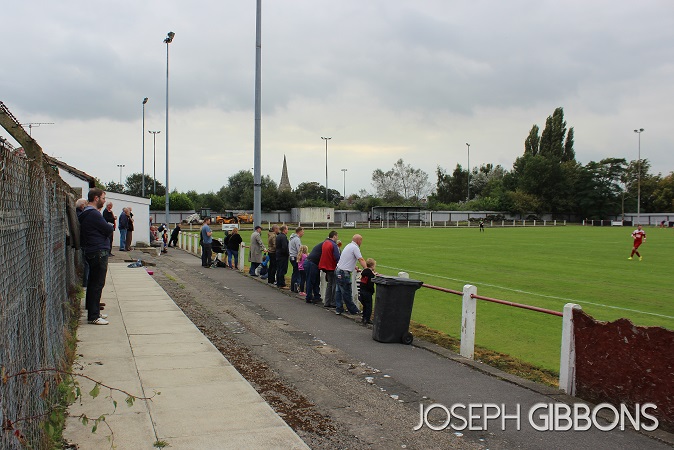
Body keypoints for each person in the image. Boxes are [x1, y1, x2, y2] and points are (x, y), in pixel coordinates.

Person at [78, 188, 113, 325]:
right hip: (98, 251)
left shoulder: (86, 213)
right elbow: (108, 229)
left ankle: (94, 311)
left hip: (93, 250)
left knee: (93, 282)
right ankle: (93, 315)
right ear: (96, 198)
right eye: (103, 198)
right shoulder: (93, 214)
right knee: (97, 283)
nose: (104, 201)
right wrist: (109, 225)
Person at [334, 234, 367, 315]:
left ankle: (339, 308)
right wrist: (367, 269)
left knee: (338, 291)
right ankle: (353, 310)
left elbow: (347, 259)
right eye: (361, 241)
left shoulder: (349, 245)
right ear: (358, 240)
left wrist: (353, 266)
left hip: (338, 269)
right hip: (344, 272)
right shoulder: (355, 247)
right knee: (347, 291)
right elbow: (361, 259)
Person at [318, 231, 341, 308]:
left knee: (329, 284)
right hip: (331, 267)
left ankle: (327, 302)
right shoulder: (333, 244)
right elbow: (337, 257)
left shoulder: (325, 242)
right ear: (334, 236)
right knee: (334, 285)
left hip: (325, 267)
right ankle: (333, 302)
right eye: (336, 236)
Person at [359, 258, 377, 325]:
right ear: (372, 266)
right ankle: (367, 319)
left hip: (362, 290)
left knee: (365, 306)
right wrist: (372, 291)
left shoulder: (364, 272)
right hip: (367, 292)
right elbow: (370, 284)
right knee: (369, 306)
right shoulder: (370, 274)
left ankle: (364, 318)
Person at [288, 226, 305, 292]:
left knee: (294, 273)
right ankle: (296, 287)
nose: (303, 233)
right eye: (303, 232)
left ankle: (292, 287)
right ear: (300, 232)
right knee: (297, 273)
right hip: (295, 257)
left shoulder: (291, 238)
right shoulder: (297, 239)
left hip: (291, 257)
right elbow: (299, 250)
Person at [275, 225, 290, 289]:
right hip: (282, 256)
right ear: (284, 230)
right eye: (287, 229)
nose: (288, 230)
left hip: (278, 254)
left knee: (279, 269)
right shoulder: (283, 237)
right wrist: (287, 254)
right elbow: (284, 247)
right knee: (282, 269)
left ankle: (279, 283)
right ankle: (282, 284)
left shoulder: (278, 236)